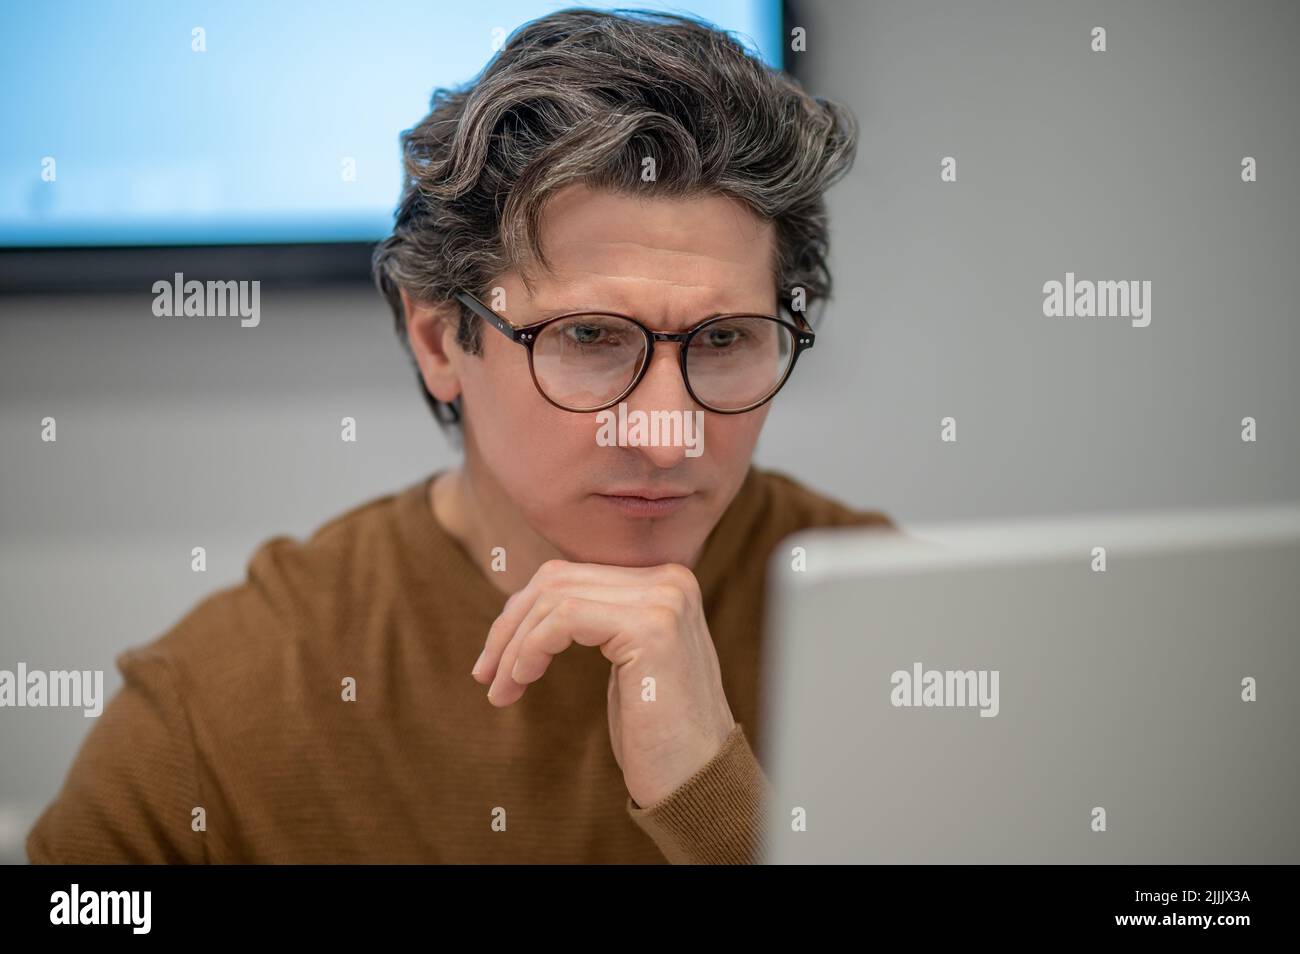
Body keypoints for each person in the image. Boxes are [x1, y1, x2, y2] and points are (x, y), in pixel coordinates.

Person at [27, 7, 894, 865]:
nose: (670, 438)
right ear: (441, 339)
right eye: (589, 338)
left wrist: (718, 811)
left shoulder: (895, 624)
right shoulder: (226, 702)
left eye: (723, 339)